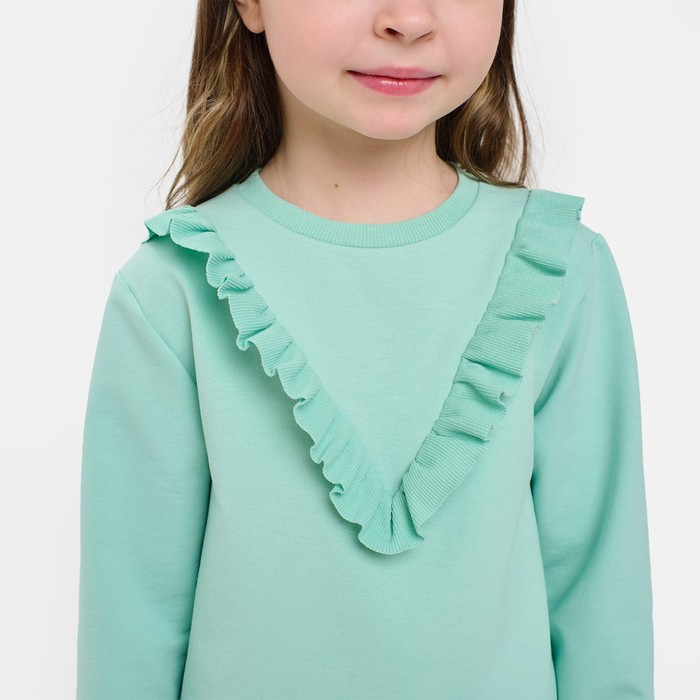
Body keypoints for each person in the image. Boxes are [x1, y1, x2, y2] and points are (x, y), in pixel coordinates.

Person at [76, 1, 655, 697]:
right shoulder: (171, 288)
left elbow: (600, 609)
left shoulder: (562, 269)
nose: (408, 19)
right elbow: (131, 635)